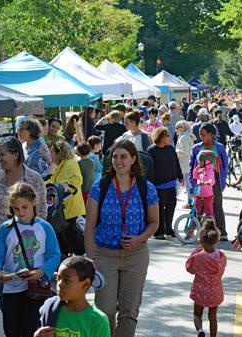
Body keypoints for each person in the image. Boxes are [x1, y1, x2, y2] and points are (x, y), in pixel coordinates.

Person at [84, 139, 159, 336]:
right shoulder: (99, 187)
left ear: (134, 159)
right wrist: (91, 258)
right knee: (105, 311)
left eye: (124, 156)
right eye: (115, 156)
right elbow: (89, 225)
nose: (119, 161)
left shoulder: (146, 188)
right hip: (104, 255)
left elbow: (154, 223)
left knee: (129, 311)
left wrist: (139, 239)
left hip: (136, 256)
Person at [0, 182, 61, 337]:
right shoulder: (5, 228)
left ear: (34, 202)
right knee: (12, 329)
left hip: (36, 287)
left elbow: (54, 255)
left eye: (25, 207)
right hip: (11, 288)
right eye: (16, 208)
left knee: (32, 329)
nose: (20, 212)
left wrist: (42, 272)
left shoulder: (45, 227)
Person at [0, 136, 47, 240]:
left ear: (16, 155)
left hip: (26, 241)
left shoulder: (35, 179)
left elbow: (41, 212)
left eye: (2, 154)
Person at [34, 255, 110, 337]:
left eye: (67, 280)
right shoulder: (50, 310)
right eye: (58, 278)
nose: (60, 284)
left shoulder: (98, 321)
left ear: (85, 284)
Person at [186, 218, 226, 337]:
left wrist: (194, 253)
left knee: (197, 314)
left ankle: (200, 331)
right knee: (212, 317)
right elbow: (221, 272)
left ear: (201, 241)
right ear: (217, 240)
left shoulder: (198, 257)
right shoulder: (221, 257)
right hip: (215, 292)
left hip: (200, 291)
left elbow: (190, 269)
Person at [189, 123, 229, 241]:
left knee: (216, 205)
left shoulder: (219, 147)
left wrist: (223, 178)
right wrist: (193, 181)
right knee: (197, 206)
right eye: (200, 135)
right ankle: (191, 231)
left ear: (211, 134)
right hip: (199, 180)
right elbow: (192, 166)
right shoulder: (196, 148)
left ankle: (221, 232)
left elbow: (225, 164)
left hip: (214, 181)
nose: (201, 137)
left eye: (204, 134)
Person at [47, 140, 86, 256]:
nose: (50, 155)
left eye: (52, 152)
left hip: (70, 207)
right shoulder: (61, 165)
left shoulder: (69, 164)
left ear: (59, 153)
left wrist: (60, 187)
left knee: (70, 233)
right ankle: (68, 256)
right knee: (65, 233)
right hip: (65, 207)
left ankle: (82, 255)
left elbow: (76, 181)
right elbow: (53, 180)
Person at [148, 128, 184, 239]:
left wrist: (180, 176)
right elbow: (149, 169)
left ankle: (169, 228)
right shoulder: (151, 150)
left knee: (171, 206)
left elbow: (176, 163)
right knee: (159, 208)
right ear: (161, 137)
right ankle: (159, 231)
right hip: (158, 185)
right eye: (167, 135)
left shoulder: (170, 149)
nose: (169, 137)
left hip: (171, 183)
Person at [176, 121, 196, 209]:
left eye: (178, 127)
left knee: (188, 184)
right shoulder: (186, 136)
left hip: (186, 164)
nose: (176, 129)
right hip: (188, 163)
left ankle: (190, 201)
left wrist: (176, 152)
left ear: (183, 128)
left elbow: (186, 151)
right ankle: (191, 200)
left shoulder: (184, 137)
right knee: (189, 183)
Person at [193, 151, 217, 220]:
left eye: (201, 161)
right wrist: (197, 168)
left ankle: (211, 224)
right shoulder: (201, 169)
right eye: (199, 161)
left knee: (209, 211)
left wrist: (206, 183)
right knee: (196, 206)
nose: (199, 163)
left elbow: (212, 181)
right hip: (199, 193)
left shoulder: (210, 171)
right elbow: (195, 176)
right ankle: (197, 218)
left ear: (207, 162)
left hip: (208, 194)